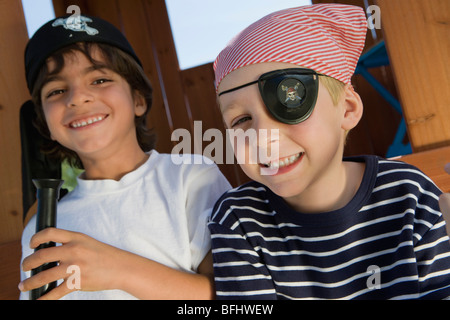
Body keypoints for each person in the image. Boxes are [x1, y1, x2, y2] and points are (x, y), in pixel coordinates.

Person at [207, 3, 450, 299]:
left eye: (289, 104)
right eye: (241, 120)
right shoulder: (239, 221)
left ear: (346, 109)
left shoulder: (409, 194)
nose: (262, 138)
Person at [19, 14, 231, 299]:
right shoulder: (42, 228)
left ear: (138, 99)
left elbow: (234, 294)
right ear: (46, 124)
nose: (77, 98)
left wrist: (118, 269)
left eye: (100, 79)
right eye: (56, 90)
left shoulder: (190, 177)